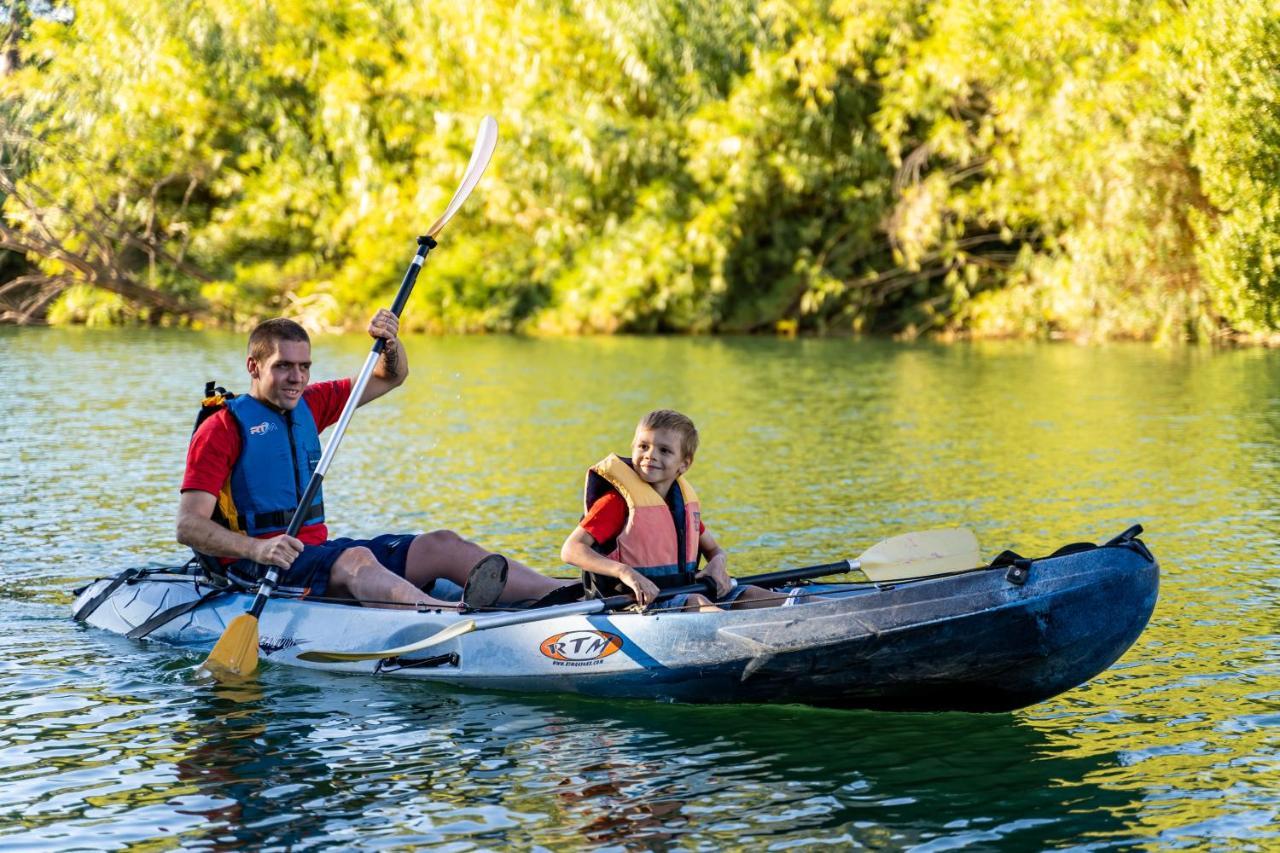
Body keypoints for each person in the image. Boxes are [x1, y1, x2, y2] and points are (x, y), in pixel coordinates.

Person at [177, 312, 570, 610]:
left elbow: (388, 376)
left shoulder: (311, 403)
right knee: (355, 559)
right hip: (255, 565)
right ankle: (446, 615)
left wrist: (389, 342)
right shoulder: (222, 429)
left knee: (442, 544)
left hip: (314, 553)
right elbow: (189, 526)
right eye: (283, 366)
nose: (296, 377)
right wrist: (258, 550)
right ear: (254, 367)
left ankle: (566, 595)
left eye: (304, 366)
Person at [560, 409, 784, 612]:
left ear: (684, 464)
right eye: (643, 446)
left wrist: (718, 564)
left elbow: (714, 549)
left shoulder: (681, 504)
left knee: (751, 594)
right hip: (635, 602)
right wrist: (624, 572)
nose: (651, 455)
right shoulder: (615, 503)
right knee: (697, 603)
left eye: (664, 450)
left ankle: (811, 613)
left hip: (683, 593)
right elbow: (571, 550)